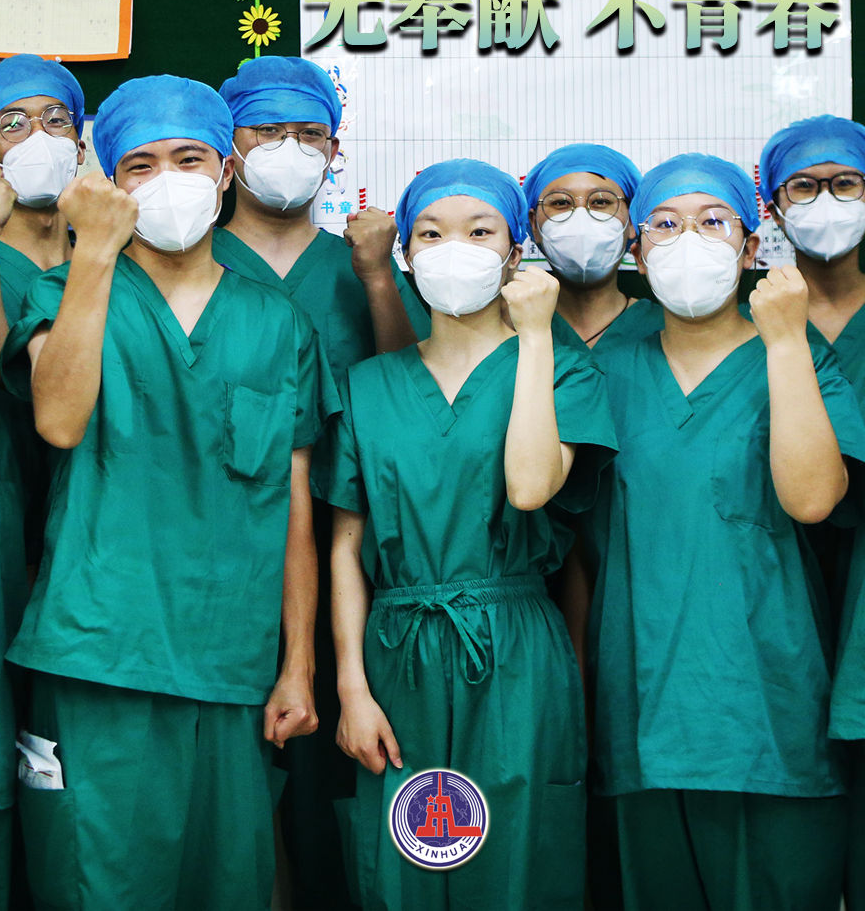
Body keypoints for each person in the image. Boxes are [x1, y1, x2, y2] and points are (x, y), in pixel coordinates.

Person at [0, 74, 337, 911]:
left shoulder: (279, 325)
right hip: (98, 654)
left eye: (189, 159)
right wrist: (95, 252)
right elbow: (59, 421)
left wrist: (297, 666)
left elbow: (294, 506)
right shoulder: (64, 293)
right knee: (99, 886)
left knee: (228, 886)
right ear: (109, 182)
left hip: (231, 664)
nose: (168, 181)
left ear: (227, 171)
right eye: (140, 165)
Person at [326, 158, 617, 911]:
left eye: (480, 231)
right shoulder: (368, 386)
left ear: (517, 251)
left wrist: (536, 337)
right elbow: (346, 551)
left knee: (518, 865)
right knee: (407, 867)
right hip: (397, 650)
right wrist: (352, 689)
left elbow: (530, 486)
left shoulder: (563, 371)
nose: (454, 248)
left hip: (515, 648)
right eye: (431, 233)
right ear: (405, 253)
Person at [583, 152, 865, 911]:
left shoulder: (796, 355)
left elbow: (814, 498)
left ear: (750, 248)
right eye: (665, 225)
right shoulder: (606, 370)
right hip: (643, 709)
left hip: (769, 706)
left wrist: (785, 342)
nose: (689, 241)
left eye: (713, 222)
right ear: (637, 252)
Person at [216, 54, 428, 911]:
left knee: (334, 802)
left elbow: (412, 393)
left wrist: (378, 275)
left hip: (353, 563)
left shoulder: (357, 265)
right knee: (231, 808)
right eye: (267, 131)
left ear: (336, 152)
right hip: (220, 564)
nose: (289, 150)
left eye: (310, 135)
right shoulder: (186, 263)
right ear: (228, 147)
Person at [0, 55, 85, 911]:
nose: (37, 136)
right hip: (3, 540)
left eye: (56, 118)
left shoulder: (103, 258)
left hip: (86, 551)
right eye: (11, 122)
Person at [760, 114, 865, 910]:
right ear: (771, 207)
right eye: (805, 186)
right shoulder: (738, 327)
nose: (826, 200)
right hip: (771, 588)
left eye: (846, 184)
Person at [523, 142, 657, 349]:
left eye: (601, 202)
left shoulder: (667, 329)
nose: (581, 219)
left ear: (631, 220)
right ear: (534, 225)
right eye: (561, 203)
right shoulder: (515, 329)